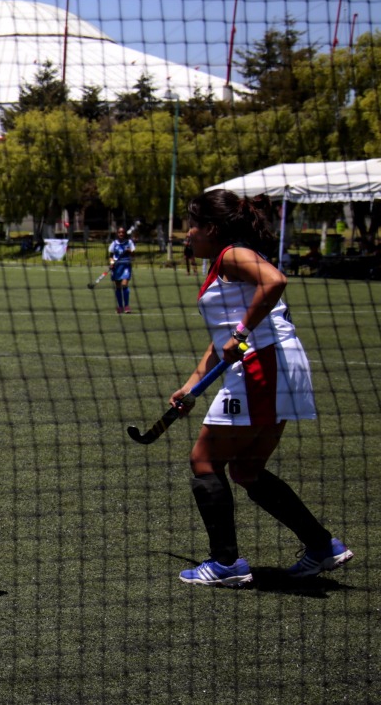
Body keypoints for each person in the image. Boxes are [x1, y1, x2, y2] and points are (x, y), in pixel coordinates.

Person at [172, 190, 351, 587]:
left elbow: (276, 281)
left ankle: (225, 564)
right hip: (282, 364)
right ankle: (322, 546)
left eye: (195, 224)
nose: (189, 233)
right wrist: (191, 387)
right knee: (247, 469)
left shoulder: (232, 255)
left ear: (213, 229)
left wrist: (241, 331)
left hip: (265, 365)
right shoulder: (227, 260)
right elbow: (224, 339)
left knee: (204, 461)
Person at [108, 226, 136, 314]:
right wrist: (112, 263)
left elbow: (133, 254)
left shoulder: (129, 242)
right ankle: (120, 307)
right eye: (119, 232)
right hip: (117, 266)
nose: (121, 234)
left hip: (126, 265)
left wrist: (129, 251)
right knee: (118, 286)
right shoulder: (114, 243)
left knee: (124, 284)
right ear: (117, 233)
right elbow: (111, 256)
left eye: (122, 232)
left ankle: (126, 306)